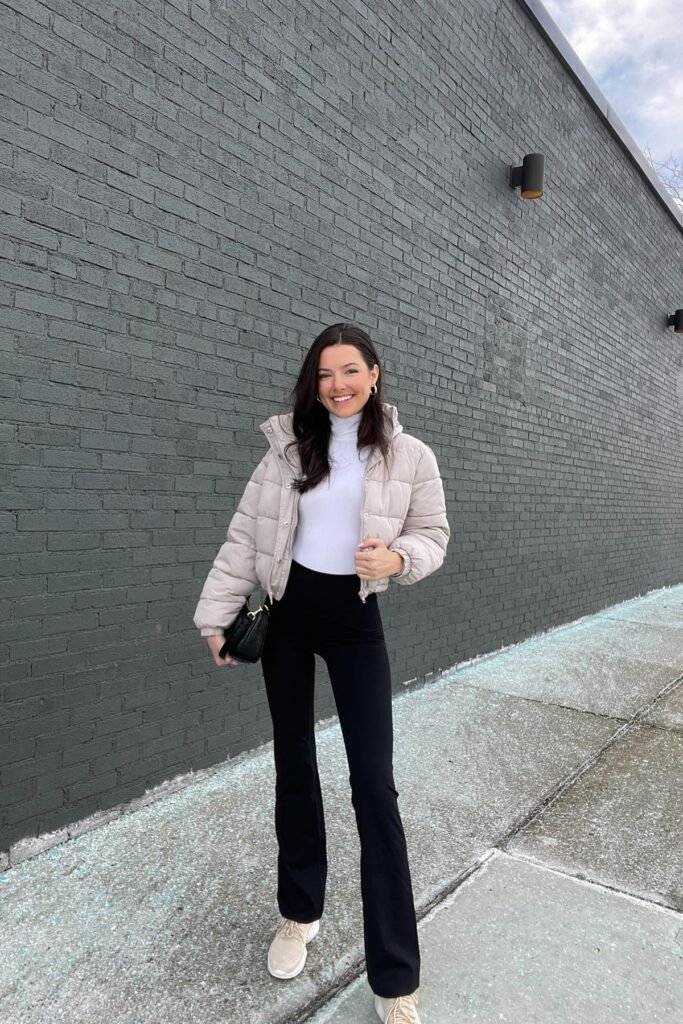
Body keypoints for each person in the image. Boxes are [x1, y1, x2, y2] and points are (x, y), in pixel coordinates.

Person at [193, 323, 450, 1024]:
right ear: (314, 382)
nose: (336, 384)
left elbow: (433, 535)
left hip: (355, 622)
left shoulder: (410, 455)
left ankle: (395, 976)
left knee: (374, 788)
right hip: (288, 618)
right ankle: (297, 913)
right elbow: (245, 538)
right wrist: (217, 616)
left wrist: (396, 561)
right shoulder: (284, 450)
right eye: (324, 373)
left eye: (349, 371)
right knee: (294, 767)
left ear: (373, 375)